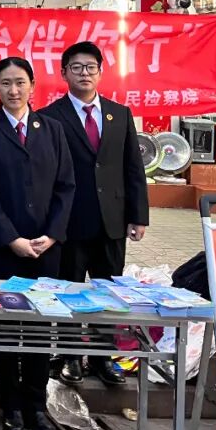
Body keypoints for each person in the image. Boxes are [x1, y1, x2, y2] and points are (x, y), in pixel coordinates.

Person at [0, 56, 74, 430]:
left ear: (32, 85)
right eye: (6, 83)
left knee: (39, 327)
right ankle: (10, 405)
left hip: (47, 248)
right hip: (3, 248)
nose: (13, 90)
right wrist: (11, 238)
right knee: (5, 327)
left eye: (20, 82)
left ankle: (36, 405)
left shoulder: (53, 129)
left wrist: (53, 234)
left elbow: (66, 186)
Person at [40, 41, 149, 388]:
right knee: (71, 290)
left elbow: (133, 168)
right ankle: (71, 356)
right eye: (76, 67)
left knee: (108, 293)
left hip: (112, 222)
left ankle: (103, 357)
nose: (84, 73)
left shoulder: (120, 114)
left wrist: (138, 215)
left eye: (90, 67)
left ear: (101, 72)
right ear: (64, 73)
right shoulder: (50, 117)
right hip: (70, 222)